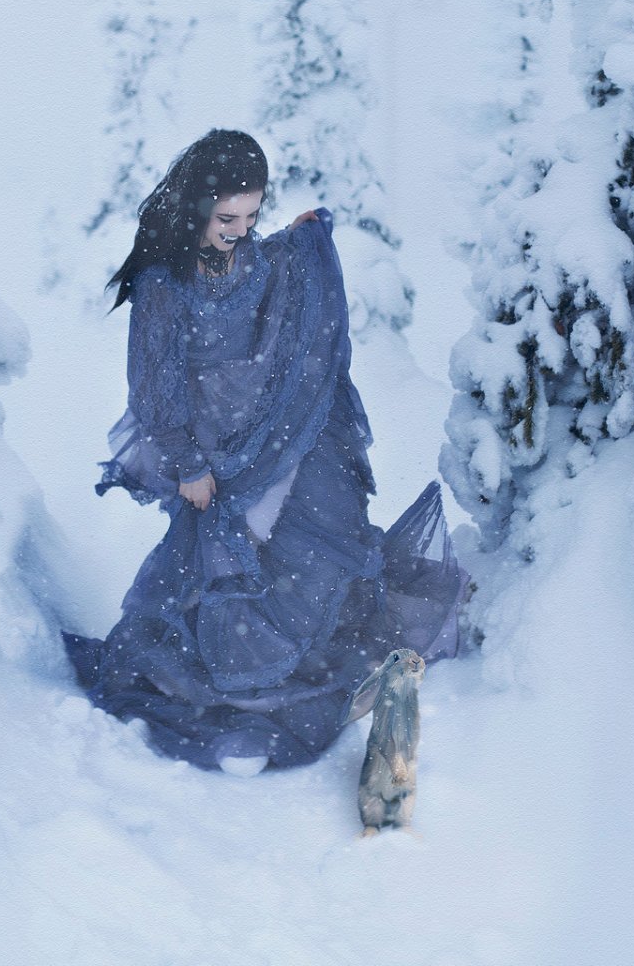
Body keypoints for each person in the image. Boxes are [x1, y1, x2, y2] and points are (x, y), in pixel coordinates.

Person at [64, 129, 467, 774]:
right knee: (228, 573)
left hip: (280, 432)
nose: (239, 230)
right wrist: (186, 463)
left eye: (252, 216)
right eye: (228, 217)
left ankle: (316, 663)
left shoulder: (249, 254)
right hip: (219, 455)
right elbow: (153, 388)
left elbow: (275, 281)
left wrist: (303, 240)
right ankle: (241, 690)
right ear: (196, 206)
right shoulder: (163, 284)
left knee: (320, 544)